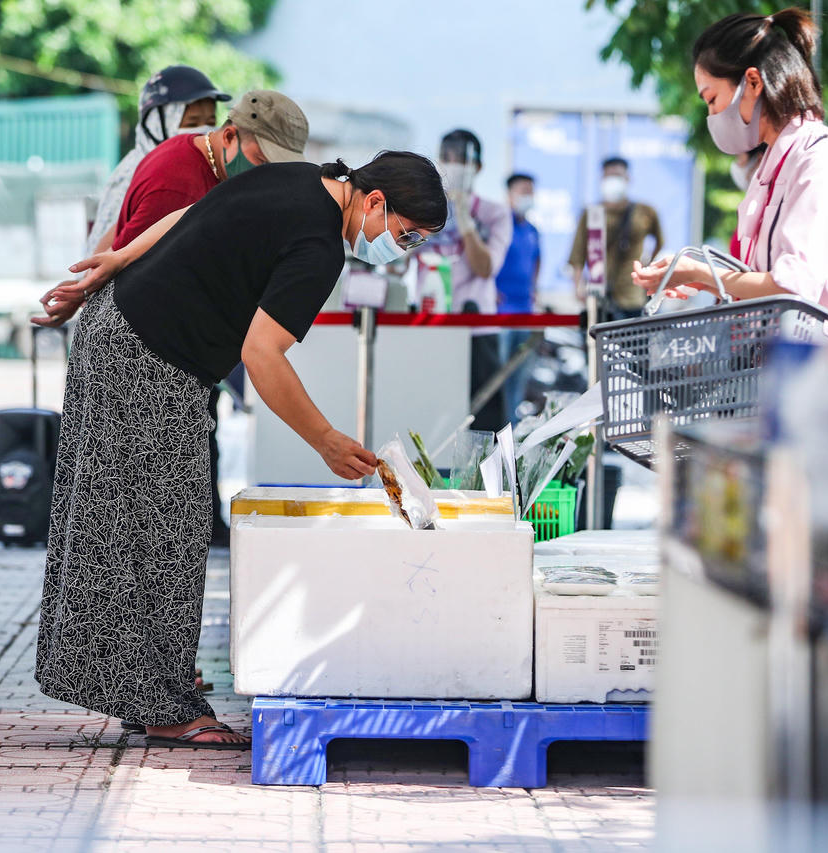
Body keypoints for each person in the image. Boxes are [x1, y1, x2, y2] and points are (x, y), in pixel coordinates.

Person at [33, 151, 447, 749]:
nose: (401, 251)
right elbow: (262, 354)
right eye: (406, 236)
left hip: (119, 328)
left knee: (125, 525)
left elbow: (188, 216)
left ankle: (142, 692)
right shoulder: (320, 247)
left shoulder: (303, 178)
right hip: (149, 362)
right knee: (164, 532)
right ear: (376, 202)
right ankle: (163, 705)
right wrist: (325, 440)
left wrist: (115, 263)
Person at [44, 89, 310, 550]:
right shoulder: (180, 181)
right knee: (131, 523)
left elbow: (118, 240)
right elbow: (140, 263)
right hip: (140, 355)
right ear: (229, 135)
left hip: (166, 355)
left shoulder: (204, 166)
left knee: (156, 520)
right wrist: (85, 291)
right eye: (261, 159)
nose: (266, 174)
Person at [632, 9, 828, 319]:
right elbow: (761, 284)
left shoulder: (820, 159)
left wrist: (701, 273)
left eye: (712, 99)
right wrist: (695, 279)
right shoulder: (773, 164)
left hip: (822, 360)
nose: (712, 115)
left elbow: (794, 286)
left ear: (753, 82)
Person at [413, 129, 512, 432]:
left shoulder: (495, 214)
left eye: (461, 159)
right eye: (446, 157)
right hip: (429, 326)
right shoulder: (420, 211)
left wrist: (465, 218)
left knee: (483, 425)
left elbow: (486, 268)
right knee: (426, 420)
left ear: (477, 167)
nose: (452, 164)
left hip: (478, 331)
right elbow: (394, 261)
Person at [85, 66, 229, 257]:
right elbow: (100, 255)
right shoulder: (132, 173)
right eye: (192, 123)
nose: (203, 131)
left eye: (210, 121)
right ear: (156, 123)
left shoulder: (209, 167)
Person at [568, 156, 664, 320]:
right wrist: (578, 286)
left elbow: (660, 242)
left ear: (628, 178)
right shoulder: (592, 213)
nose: (613, 181)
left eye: (618, 176)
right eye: (609, 177)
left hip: (633, 296)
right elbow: (577, 255)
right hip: (600, 295)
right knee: (597, 344)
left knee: (635, 343)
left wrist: (647, 269)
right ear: (602, 179)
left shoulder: (644, 211)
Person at [495, 173, 543, 421]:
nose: (527, 196)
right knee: (499, 379)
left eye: (530, 191)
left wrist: (533, 290)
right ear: (510, 194)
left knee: (519, 379)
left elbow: (536, 261)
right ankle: (498, 428)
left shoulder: (533, 231)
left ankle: (511, 430)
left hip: (526, 313)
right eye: (523, 190)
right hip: (500, 315)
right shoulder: (499, 226)